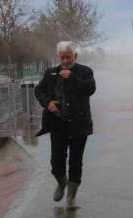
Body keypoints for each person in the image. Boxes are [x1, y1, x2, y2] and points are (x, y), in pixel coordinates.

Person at [35, 41, 96, 208]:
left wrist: (73, 78)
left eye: (69, 57)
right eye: (62, 57)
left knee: (75, 163)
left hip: (79, 125)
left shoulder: (85, 72)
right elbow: (39, 91)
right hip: (57, 125)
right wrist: (48, 103)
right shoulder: (51, 73)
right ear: (58, 57)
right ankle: (62, 182)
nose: (66, 61)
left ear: (75, 56)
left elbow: (90, 89)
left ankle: (71, 197)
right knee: (56, 162)